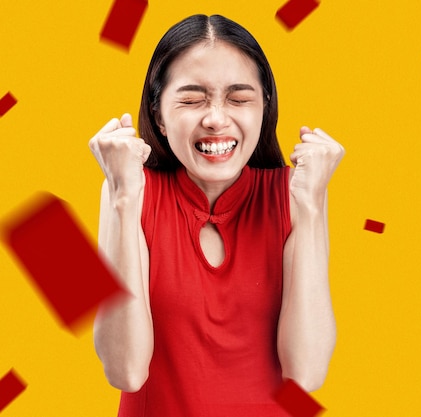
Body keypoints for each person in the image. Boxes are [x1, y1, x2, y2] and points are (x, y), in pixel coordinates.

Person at [89, 14, 344, 416]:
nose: (215, 118)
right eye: (191, 100)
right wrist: (123, 195)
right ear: (158, 114)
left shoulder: (295, 195)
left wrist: (310, 206)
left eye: (239, 99)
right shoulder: (130, 193)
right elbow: (126, 371)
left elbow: (306, 375)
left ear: (263, 108)